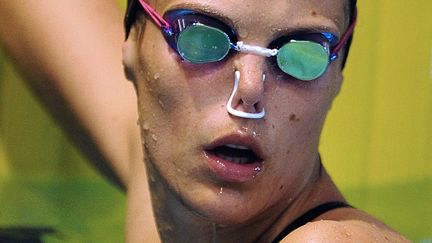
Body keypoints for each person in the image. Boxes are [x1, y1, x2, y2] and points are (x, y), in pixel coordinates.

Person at [0, 0, 410, 242]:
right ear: (132, 45)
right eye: (202, 38)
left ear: (337, 77)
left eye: (301, 54)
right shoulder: (162, 182)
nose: (250, 89)